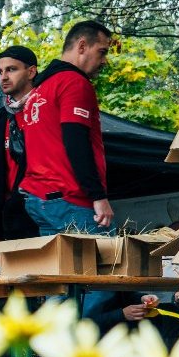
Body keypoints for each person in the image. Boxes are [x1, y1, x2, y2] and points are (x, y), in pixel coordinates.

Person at [17, 21, 115, 234]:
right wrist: (98, 196)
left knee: (62, 268)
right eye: (102, 52)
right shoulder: (73, 82)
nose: (104, 61)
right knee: (112, 264)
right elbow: (76, 140)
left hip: (40, 199)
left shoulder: (38, 90)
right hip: (71, 200)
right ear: (82, 46)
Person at [0, 45, 41, 240]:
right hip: (7, 215)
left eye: (11, 69)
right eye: (0, 72)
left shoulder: (44, 106)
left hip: (38, 208)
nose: (4, 77)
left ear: (31, 71)